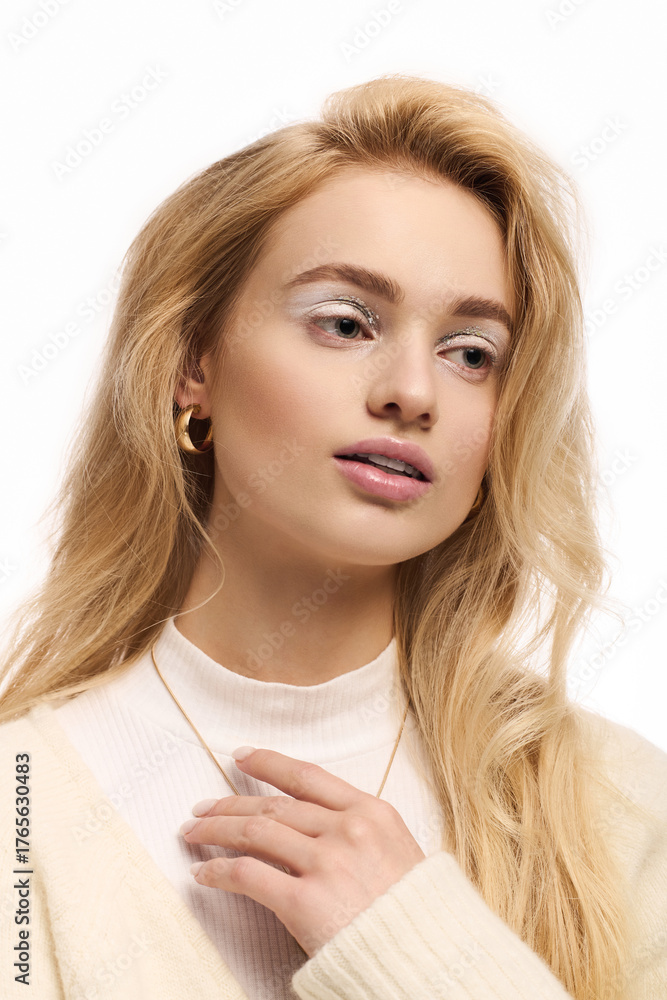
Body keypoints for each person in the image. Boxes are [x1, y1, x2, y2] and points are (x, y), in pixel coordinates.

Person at [0, 73, 665, 1000]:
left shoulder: (616, 804)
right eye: (346, 323)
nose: (413, 392)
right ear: (193, 363)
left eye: (470, 353)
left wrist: (413, 951)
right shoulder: (21, 808)